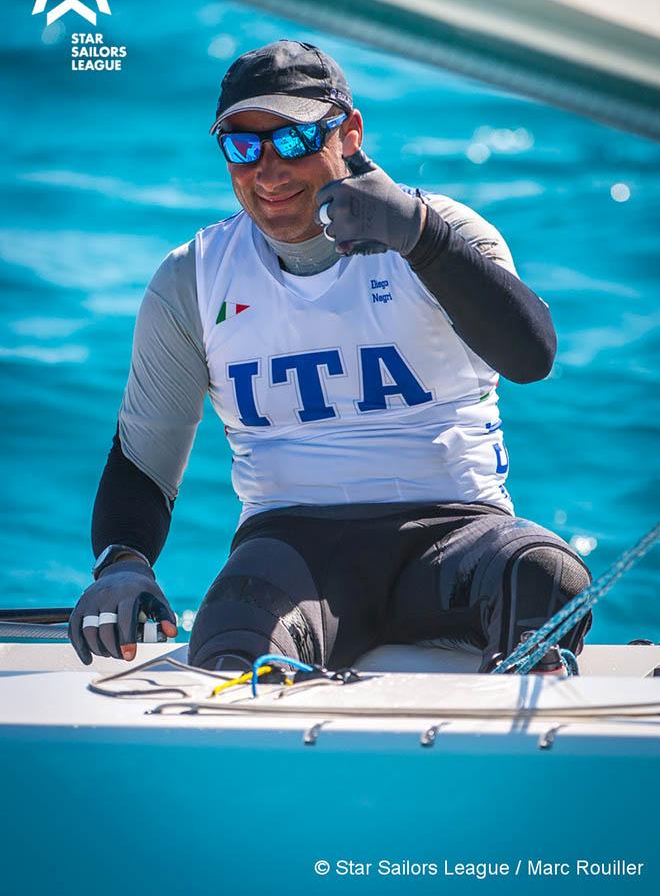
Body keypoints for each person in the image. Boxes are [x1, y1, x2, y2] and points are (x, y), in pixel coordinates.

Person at [69, 39, 592, 673]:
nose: (267, 171)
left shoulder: (443, 233)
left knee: (544, 578)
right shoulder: (194, 279)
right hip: (293, 551)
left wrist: (421, 239)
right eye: (242, 146)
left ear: (348, 134)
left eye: (291, 140)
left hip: (456, 535)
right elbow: (142, 463)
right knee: (231, 633)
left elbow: (531, 354)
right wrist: (122, 563)